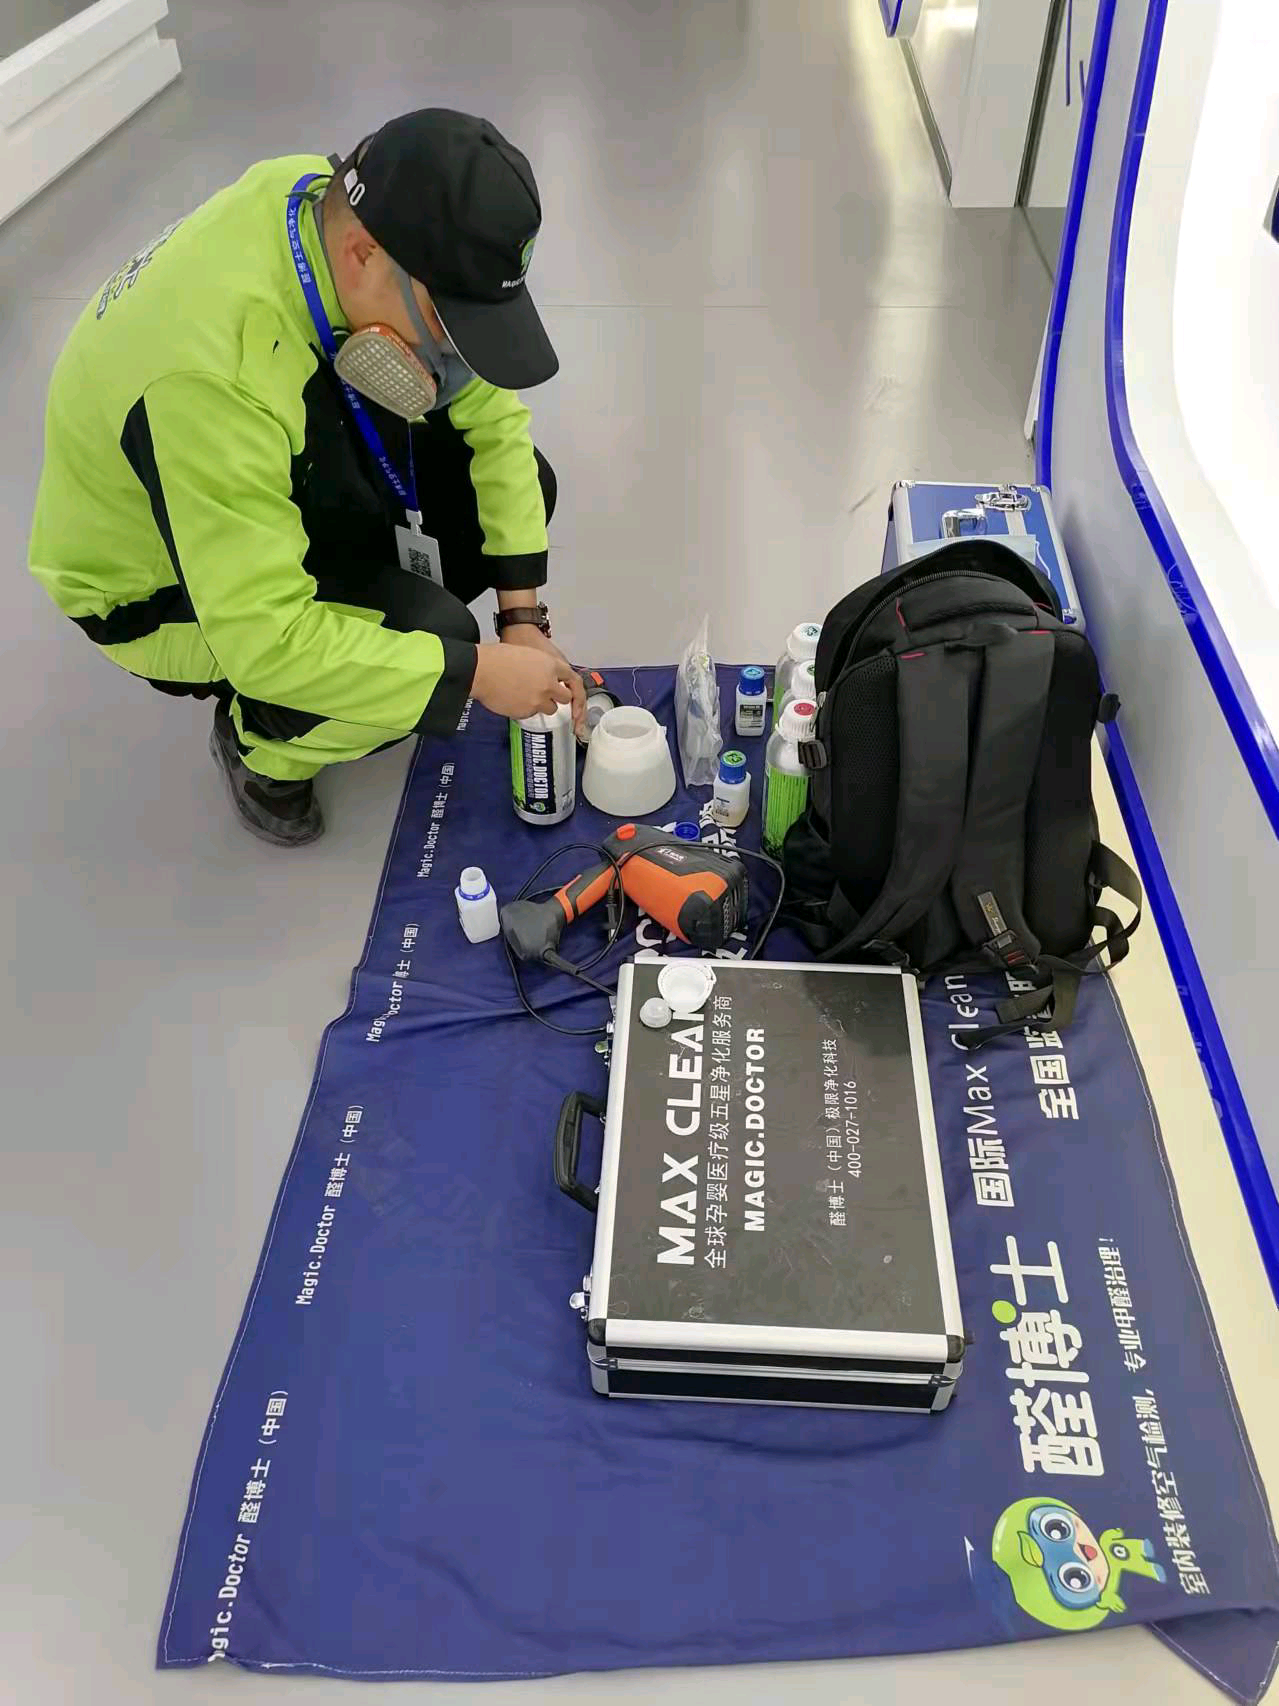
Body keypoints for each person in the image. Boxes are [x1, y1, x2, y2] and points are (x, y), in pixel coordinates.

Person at [28, 108, 585, 846]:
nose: (452, 351)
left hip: (258, 464)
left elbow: (493, 420)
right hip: (160, 588)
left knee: (518, 493)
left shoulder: (326, 207)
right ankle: (259, 743)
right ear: (362, 254)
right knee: (435, 646)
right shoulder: (212, 375)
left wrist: (522, 619)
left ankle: (361, 618)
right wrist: (475, 672)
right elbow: (267, 639)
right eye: (446, 320)